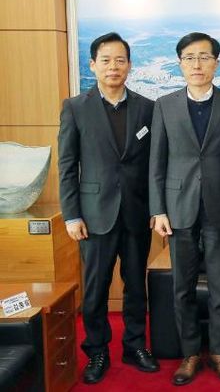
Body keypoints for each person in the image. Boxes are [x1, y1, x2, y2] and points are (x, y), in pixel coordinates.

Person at [58, 32, 159, 384]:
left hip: (136, 213)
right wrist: (71, 214)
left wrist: (156, 208)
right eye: (106, 60)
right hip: (93, 214)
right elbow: (67, 165)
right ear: (92, 65)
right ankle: (97, 350)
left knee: (136, 286)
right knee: (96, 289)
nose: (113, 66)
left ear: (129, 65)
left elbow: (154, 165)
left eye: (120, 60)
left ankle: (135, 345)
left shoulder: (147, 107)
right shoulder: (75, 107)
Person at [149, 32, 220, 386]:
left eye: (204, 57)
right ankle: (190, 353)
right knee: (183, 287)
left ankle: (219, 352)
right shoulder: (165, 105)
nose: (197, 64)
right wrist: (158, 210)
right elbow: (156, 162)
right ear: (180, 64)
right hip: (178, 207)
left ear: (216, 63)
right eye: (189, 58)